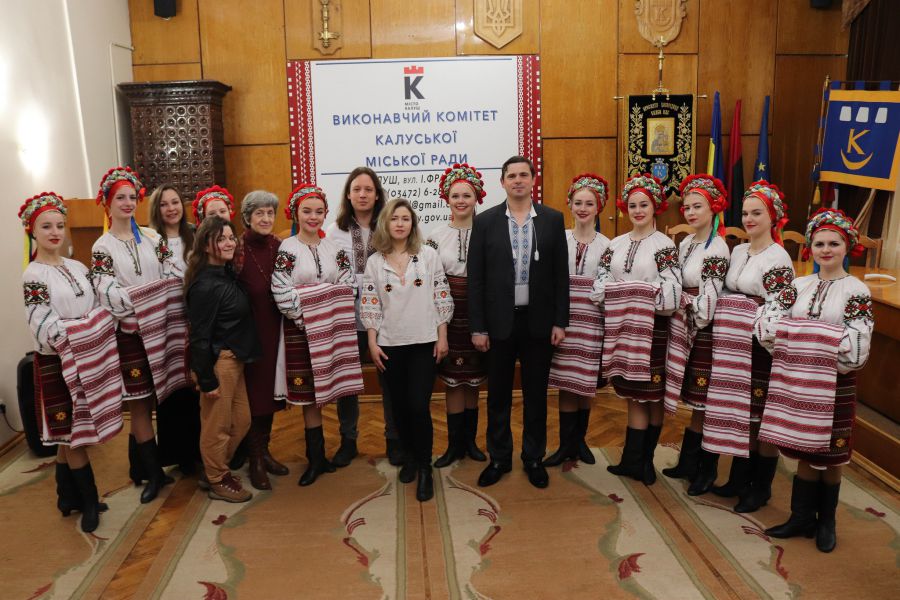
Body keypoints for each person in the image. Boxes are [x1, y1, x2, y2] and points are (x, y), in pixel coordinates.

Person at [763, 208, 873, 553]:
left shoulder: (856, 291)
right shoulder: (798, 285)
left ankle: (826, 522)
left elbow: (856, 351)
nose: (826, 250)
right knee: (803, 449)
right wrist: (823, 338)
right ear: (810, 248)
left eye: (834, 243)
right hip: (796, 380)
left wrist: (799, 335)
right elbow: (767, 326)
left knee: (830, 453)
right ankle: (800, 518)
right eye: (820, 243)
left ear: (847, 246)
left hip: (835, 383)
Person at [468, 155, 569, 489]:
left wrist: (560, 321)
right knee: (498, 396)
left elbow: (561, 276)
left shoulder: (552, 220)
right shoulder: (485, 222)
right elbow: (476, 279)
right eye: (511, 176)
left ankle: (533, 458)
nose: (518, 180)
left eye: (523, 175)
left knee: (536, 395)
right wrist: (478, 327)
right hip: (498, 323)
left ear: (533, 179)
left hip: (539, 323)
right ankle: (499, 458)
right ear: (502, 182)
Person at [20, 192, 113, 532]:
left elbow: (99, 308)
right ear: (32, 231)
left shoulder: (77, 267)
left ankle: (66, 496)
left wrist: (87, 324)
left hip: (86, 357)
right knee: (73, 434)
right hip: (56, 362)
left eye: (60, 225)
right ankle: (89, 501)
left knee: (69, 433)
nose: (55, 232)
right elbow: (43, 325)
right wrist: (84, 327)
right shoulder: (33, 276)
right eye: (46, 226)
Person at [91, 166, 181, 503]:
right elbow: (109, 295)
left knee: (164, 395)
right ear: (107, 202)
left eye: (132, 197)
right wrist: (149, 298)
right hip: (130, 335)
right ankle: (154, 475)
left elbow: (173, 274)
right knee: (141, 404)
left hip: (162, 329)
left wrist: (144, 296)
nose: (128, 203)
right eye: (120, 198)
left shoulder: (154, 238)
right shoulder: (102, 248)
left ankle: (146, 466)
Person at [590, 174, 682, 486]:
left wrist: (629, 292)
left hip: (652, 330)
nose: (638, 210)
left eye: (644, 205)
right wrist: (630, 291)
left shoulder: (664, 245)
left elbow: (671, 294)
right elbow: (600, 285)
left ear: (655, 206)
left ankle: (645, 461)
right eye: (633, 205)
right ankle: (631, 460)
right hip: (622, 329)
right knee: (632, 396)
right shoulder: (616, 243)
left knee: (651, 396)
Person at [360, 198, 453, 501]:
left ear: (413, 223)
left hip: (424, 342)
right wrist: (372, 342)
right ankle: (410, 458)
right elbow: (370, 304)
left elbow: (441, 295)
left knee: (418, 407)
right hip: (389, 345)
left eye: (405, 218)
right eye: (394, 218)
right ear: (385, 223)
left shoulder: (427, 255)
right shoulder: (375, 262)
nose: (400, 223)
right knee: (399, 408)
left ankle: (425, 468)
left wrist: (442, 335)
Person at [711, 180, 795, 513]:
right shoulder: (738, 251)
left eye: (757, 213)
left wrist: (754, 322)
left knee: (761, 416)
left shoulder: (778, 258)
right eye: (745, 213)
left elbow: (780, 304)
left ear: (773, 217)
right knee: (741, 411)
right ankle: (738, 479)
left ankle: (760, 488)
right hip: (734, 345)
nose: (748, 219)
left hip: (761, 346)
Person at [272, 184, 355, 486]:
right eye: (307, 211)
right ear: (296, 213)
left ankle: (324, 457)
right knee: (309, 397)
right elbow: (280, 289)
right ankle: (315, 459)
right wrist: (309, 314)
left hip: (330, 330)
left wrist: (318, 302)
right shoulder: (287, 248)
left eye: (319, 212)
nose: (313, 217)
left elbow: (347, 285)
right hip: (301, 330)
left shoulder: (335, 249)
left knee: (325, 393)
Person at [661, 174, 731, 495]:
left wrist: (686, 309)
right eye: (687, 207)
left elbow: (709, 302)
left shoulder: (717, 248)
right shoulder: (687, 243)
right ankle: (688, 463)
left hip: (703, 329)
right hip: (684, 325)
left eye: (697, 206)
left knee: (705, 402)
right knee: (694, 400)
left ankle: (706, 469)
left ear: (713, 207)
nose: (690, 212)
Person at [325, 167, 398, 466]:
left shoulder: (389, 225)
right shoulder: (335, 231)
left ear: (377, 194)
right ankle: (348, 440)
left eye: (368, 189)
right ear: (348, 194)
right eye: (356, 189)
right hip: (347, 318)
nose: (363, 195)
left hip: (386, 317)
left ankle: (394, 439)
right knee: (348, 383)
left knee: (390, 381)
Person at [185, 216, 261, 503]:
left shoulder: (225, 273)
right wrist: (207, 379)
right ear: (206, 245)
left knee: (241, 421)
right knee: (216, 427)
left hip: (235, 359)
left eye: (231, 237)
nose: (229, 243)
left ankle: (214, 470)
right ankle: (217, 478)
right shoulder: (204, 285)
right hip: (220, 363)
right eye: (221, 239)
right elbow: (199, 337)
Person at [543, 173, 610, 467]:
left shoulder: (608, 245)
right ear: (569, 204)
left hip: (593, 320)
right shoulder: (559, 238)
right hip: (564, 319)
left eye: (589, 203)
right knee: (567, 382)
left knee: (585, 382)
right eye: (578, 202)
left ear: (599, 207)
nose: (583, 208)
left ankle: (580, 440)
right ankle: (565, 444)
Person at [426, 163, 488, 468]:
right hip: (447, 313)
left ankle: (470, 442)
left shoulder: (487, 232)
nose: (461, 201)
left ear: (477, 197)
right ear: (446, 198)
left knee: (473, 379)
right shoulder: (435, 237)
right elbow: (430, 279)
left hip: (479, 312)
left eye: (467, 195)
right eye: (455, 196)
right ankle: (453, 445)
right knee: (452, 380)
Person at [235, 191, 289, 490]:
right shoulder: (237, 249)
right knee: (253, 397)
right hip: (248, 334)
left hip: (275, 332)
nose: (266, 219)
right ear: (247, 217)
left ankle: (264, 451)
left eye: (270, 213)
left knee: (270, 394)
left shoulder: (279, 246)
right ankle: (254, 458)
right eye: (259, 213)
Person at [147, 184, 201, 477]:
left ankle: (198, 453)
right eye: (164, 204)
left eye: (175, 202)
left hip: (194, 321)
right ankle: (177, 455)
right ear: (157, 210)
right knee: (172, 389)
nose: (171, 208)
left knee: (194, 387)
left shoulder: (195, 234)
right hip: (166, 325)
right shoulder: (151, 241)